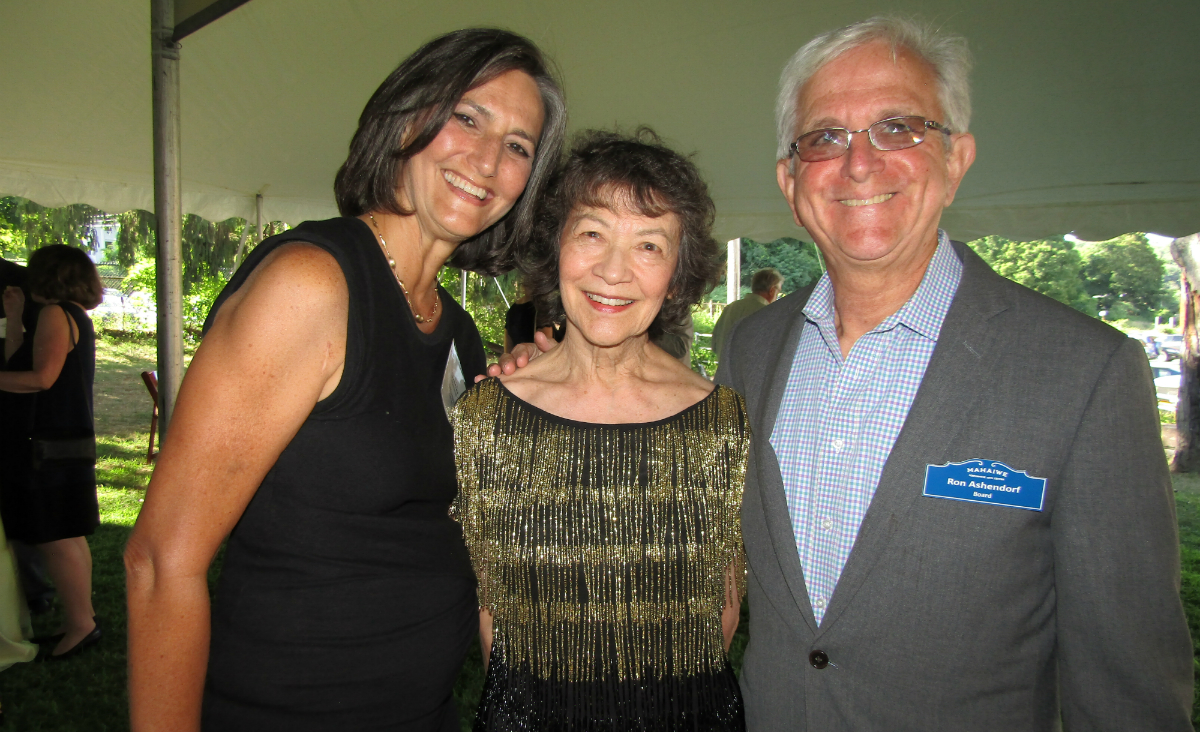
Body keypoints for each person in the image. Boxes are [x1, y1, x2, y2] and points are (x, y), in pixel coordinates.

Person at [714, 16, 1192, 730]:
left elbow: (1128, 690)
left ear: (957, 158)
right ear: (790, 178)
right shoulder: (750, 355)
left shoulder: (1084, 373)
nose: (860, 162)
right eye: (825, 138)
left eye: (897, 127)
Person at [125, 28, 566, 732]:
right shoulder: (313, 286)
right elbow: (159, 563)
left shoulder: (452, 327)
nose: (486, 159)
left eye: (518, 146)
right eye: (467, 117)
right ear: (407, 116)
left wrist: (534, 409)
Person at [453, 129, 747, 730]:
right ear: (554, 246)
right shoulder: (486, 422)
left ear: (678, 271)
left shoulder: (721, 422)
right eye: (591, 233)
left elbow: (723, 613)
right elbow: (492, 619)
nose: (613, 272)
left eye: (648, 245)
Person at [0, 244, 104, 660]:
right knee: (65, 535)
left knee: (57, 537)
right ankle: (82, 620)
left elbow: (41, 378)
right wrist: (13, 318)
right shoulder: (63, 314)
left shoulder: (57, 314)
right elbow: (16, 365)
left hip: (49, 444)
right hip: (60, 442)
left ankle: (81, 626)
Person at [711, 268, 783, 363]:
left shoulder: (730, 308)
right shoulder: (767, 313)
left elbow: (714, 345)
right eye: (778, 292)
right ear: (772, 290)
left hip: (723, 372)